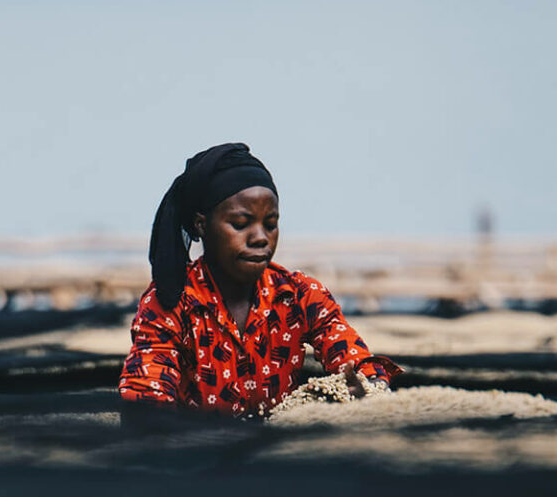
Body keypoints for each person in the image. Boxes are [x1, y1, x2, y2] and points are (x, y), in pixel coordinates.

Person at [119, 142, 397, 418]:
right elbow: (146, 395)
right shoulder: (171, 302)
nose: (260, 238)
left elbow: (355, 358)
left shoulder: (300, 295)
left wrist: (367, 384)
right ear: (201, 225)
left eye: (271, 223)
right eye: (240, 224)